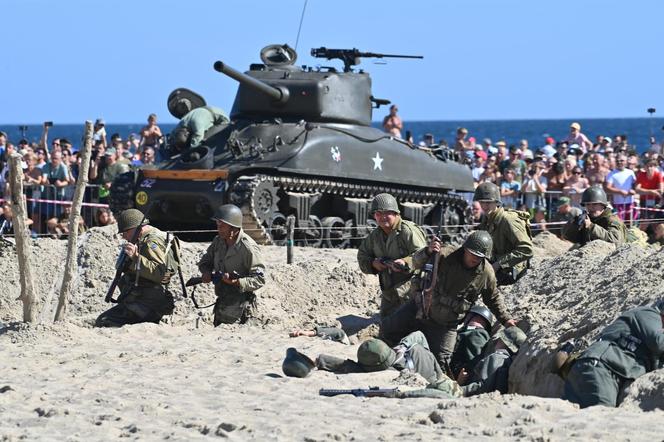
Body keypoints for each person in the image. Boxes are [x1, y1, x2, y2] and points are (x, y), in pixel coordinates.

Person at [380, 231, 516, 371]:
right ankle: (383, 362)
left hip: (445, 324)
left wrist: (506, 320)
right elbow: (415, 262)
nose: (475, 258)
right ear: (465, 249)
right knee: (388, 329)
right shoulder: (445, 254)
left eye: (479, 256)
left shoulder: (486, 273)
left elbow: (493, 298)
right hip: (419, 308)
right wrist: (428, 251)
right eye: (472, 253)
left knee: (443, 362)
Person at [563, 300, 664, 408]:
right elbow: (658, 342)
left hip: (604, 369)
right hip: (601, 366)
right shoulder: (649, 314)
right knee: (601, 415)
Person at [95, 209, 177, 327]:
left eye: (125, 232)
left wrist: (135, 257)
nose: (124, 236)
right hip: (142, 299)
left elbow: (158, 272)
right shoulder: (142, 238)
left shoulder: (151, 242)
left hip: (147, 303)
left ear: (136, 229)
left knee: (103, 321)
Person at [357, 193, 427, 317]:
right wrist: (373, 264)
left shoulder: (407, 231)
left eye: (387, 213)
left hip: (410, 292)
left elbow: (425, 255)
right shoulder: (375, 236)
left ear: (396, 214)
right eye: (378, 213)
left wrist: (405, 262)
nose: (383, 217)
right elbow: (362, 255)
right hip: (389, 293)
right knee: (386, 328)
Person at [197, 204, 266, 325]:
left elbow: (259, 279)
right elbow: (205, 262)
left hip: (241, 307)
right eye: (218, 225)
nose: (219, 229)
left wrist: (237, 282)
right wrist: (206, 272)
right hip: (222, 302)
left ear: (234, 229)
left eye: (223, 226)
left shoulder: (248, 248)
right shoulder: (218, 242)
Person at [427, 326, 527, 398]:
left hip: (468, 396)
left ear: (503, 341)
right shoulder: (507, 361)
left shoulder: (496, 357)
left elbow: (483, 386)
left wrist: (460, 388)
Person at [313, 331, 443, 384]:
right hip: (442, 379)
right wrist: (403, 346)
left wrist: (320, 360)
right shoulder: (415, 349)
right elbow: (419, 335)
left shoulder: (389, 373)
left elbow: (345, 366)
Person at [474, 182, 533, 285]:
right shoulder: (487, 220)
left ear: (496, 202)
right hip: (496, 265)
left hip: (511, 271)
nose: (484, 206)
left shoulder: (507, 220)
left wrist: (498, 265)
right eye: (482, 202)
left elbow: (526, 249)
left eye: (488, 202)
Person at [562, 186, 626, 246]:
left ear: (603, 205)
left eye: (594, 204)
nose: (591, 207)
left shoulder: (612, 220)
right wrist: (574, 224)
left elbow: (616, 241)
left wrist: (591, 227)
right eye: (588, 204)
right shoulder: (588, 219)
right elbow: (569, 237)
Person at [450, 305, 495, 378]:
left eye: (469, 315)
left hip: (455, 378)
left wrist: (460, 380)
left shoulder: (477, 334)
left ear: (477, 317)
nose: (465, 317)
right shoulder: (469, 331)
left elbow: (473, 363)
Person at [605, 155, 637, 223]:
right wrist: (620, 191)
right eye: (617, 161)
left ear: (626, 162)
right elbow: (607, 188)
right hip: (618, 203)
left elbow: (635, 186)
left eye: (622, 160)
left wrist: (633, 191)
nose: (619, 162)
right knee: (619, 224)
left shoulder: (631, 172)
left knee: (630, 224)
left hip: (630, 202)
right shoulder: (611, 174)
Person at [635, 159, 663, 223]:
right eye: (647, 166)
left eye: (651, 166)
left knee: (656, 223)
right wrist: (651, 192)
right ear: (644, 167)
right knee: (644, 222)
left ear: (655, 167)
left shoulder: (658, 175)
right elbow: (637, 189)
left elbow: (660, 190)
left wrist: (644, 191)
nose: (649, 168)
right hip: (644, 201)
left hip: (656, 201)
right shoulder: (642, 174)